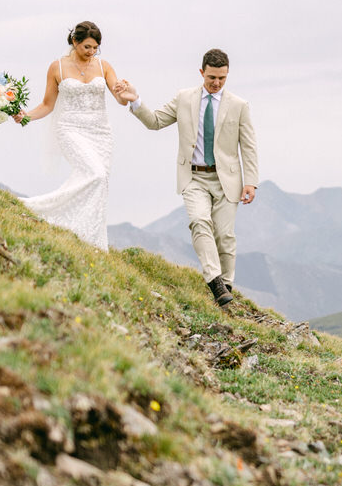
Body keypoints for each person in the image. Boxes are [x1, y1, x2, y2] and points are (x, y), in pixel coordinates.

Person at [113, 49, 258, 306]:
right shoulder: (184, 98)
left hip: (228, 180)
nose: (216, 83)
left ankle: (227, 287)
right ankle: (215, 282)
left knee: (225, 236)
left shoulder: (239, 105)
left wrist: (251, 181)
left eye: (222, 78)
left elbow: (248, 146)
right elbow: (156, 122)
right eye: (212, 77)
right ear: (202, 72)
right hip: (193, 177)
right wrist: (135, 100)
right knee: (200, 223)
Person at [13, 21, 133, 250]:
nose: (92, 52)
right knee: (95, 175)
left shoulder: (103, 66)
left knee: (98, 183)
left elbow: (119, 98)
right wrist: (26, 116)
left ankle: (90, 240)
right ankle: (39, 208)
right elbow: (48, 105)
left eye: (95, 47)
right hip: (70, 129)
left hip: (101, 132)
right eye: (87, 47)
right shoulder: (56, 68)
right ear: (75, 42)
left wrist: (125, 93)